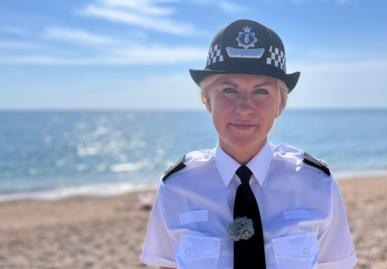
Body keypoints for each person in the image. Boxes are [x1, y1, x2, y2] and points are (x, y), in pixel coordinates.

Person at [140, 19, 357, 269]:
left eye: (261, 91)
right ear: (207, 100)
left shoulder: (316, 184)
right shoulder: (177, 187)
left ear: (281, 104)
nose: (244, 107)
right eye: (229, 90)